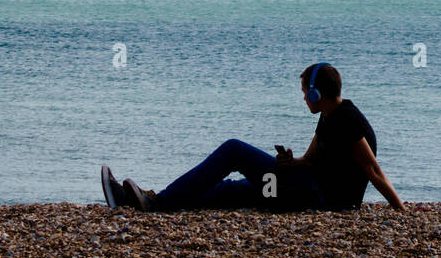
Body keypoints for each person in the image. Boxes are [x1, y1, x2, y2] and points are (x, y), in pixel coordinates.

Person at [100, 62, 405, 213]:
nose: (303, 100)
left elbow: (374, 170)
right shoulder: (328, 117)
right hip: (291, 191)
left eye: (305, 94)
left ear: (316, 93)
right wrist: (290, 161)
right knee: (228, 191)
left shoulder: (347, 120)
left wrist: (402, 211)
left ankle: (154, 204)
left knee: (233, 150)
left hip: (314, 198)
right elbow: (309, 160)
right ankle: (137, 201)